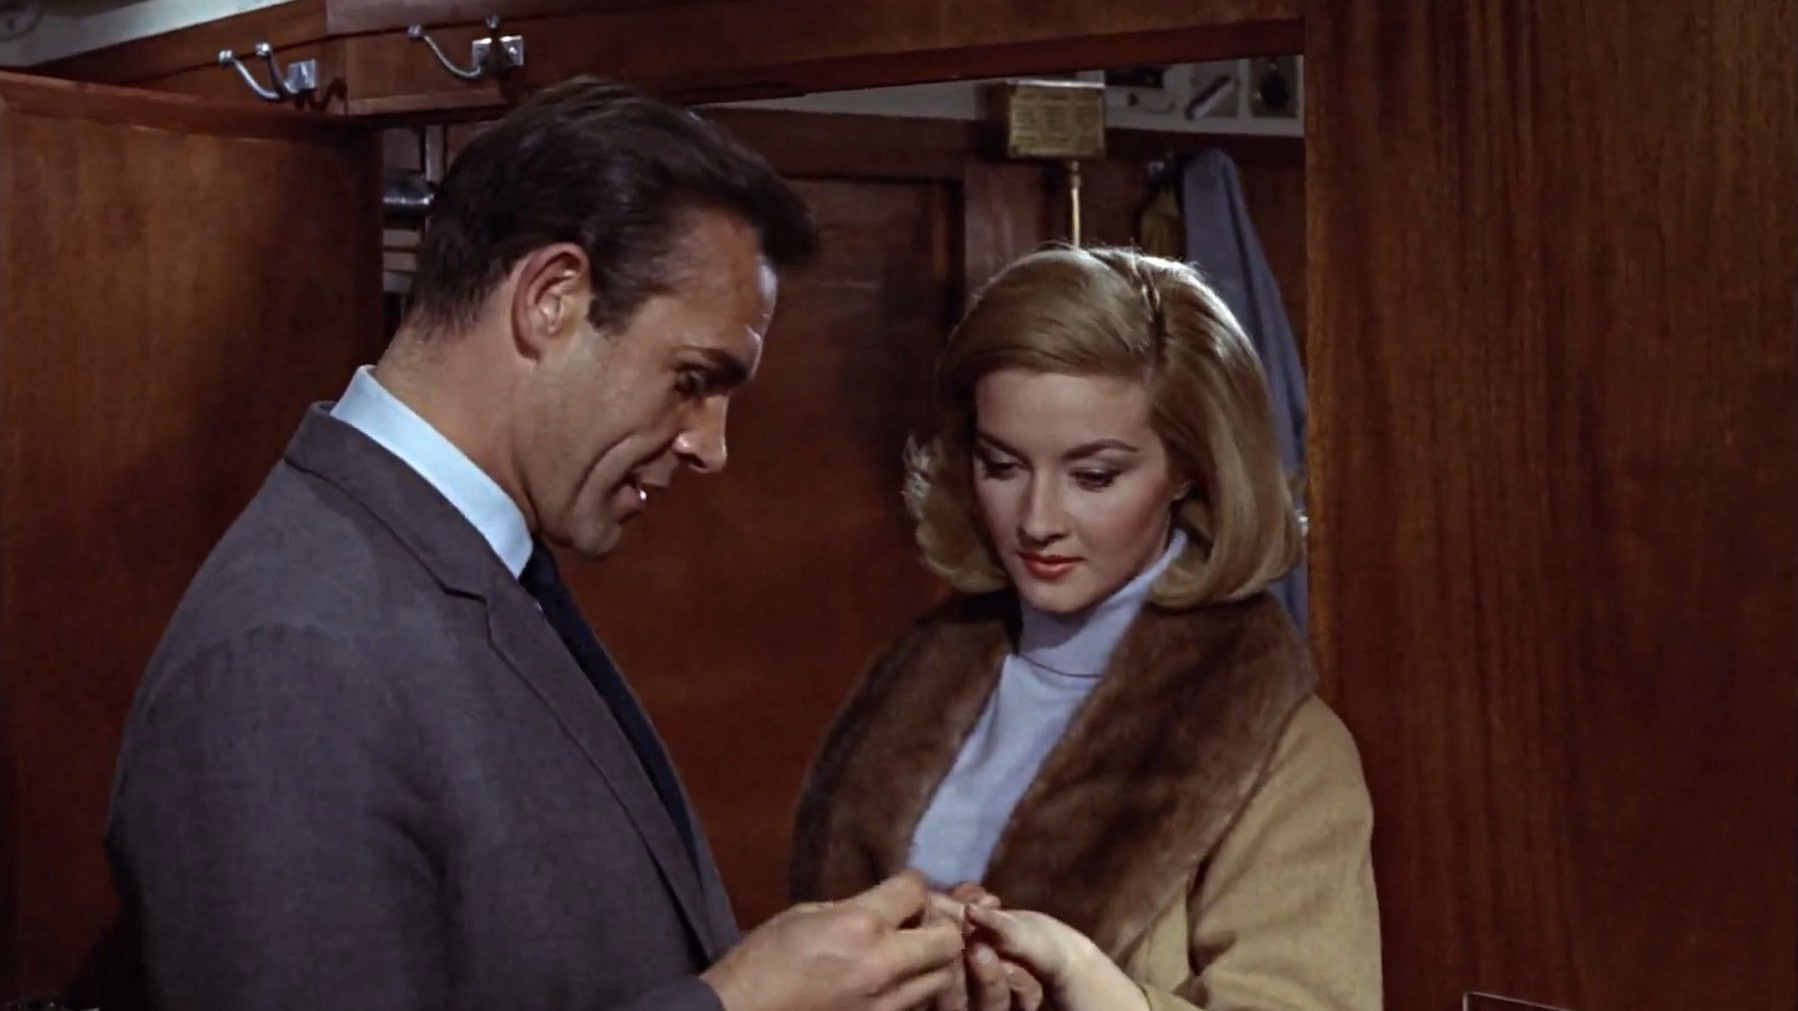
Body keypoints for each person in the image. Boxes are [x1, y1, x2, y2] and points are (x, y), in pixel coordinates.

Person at [104, 76, 965, 1011]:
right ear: (551, 298)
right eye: (691, 379)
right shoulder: (291, 655)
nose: (711, 446)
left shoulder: (473, 570)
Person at [791, 246, 1382, 1011]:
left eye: (1094, 475)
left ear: (1190, 468)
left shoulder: (1283, 750)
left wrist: (1084, 975)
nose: (1038, 520)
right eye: (1002, 465)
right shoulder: (916, 673)